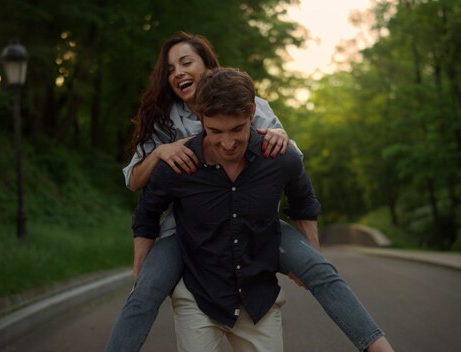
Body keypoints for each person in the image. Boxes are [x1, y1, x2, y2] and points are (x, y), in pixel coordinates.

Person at [104, 31, 393, 352]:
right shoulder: (164, 122)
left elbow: (290, 165)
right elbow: (138, 188)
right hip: (186, 230)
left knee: (320, 271)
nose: (178, 73)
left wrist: (281, 135)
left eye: (186, 63)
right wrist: (160, 153)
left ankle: (378, 347)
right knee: (144, 292)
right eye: (170, 70)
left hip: (254, 220)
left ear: (207, 66)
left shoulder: (251, 103)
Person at [133, 67, 322, 351]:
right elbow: (146, 215)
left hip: (259, 304)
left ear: (252, 113)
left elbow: (304, 203)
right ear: (200, 119)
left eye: (237, 129)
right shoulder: (178, 165)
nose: (228, 142)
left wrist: (311, 260)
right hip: (197, 300)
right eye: (215, 131)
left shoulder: (280, 158)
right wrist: (140, 278)